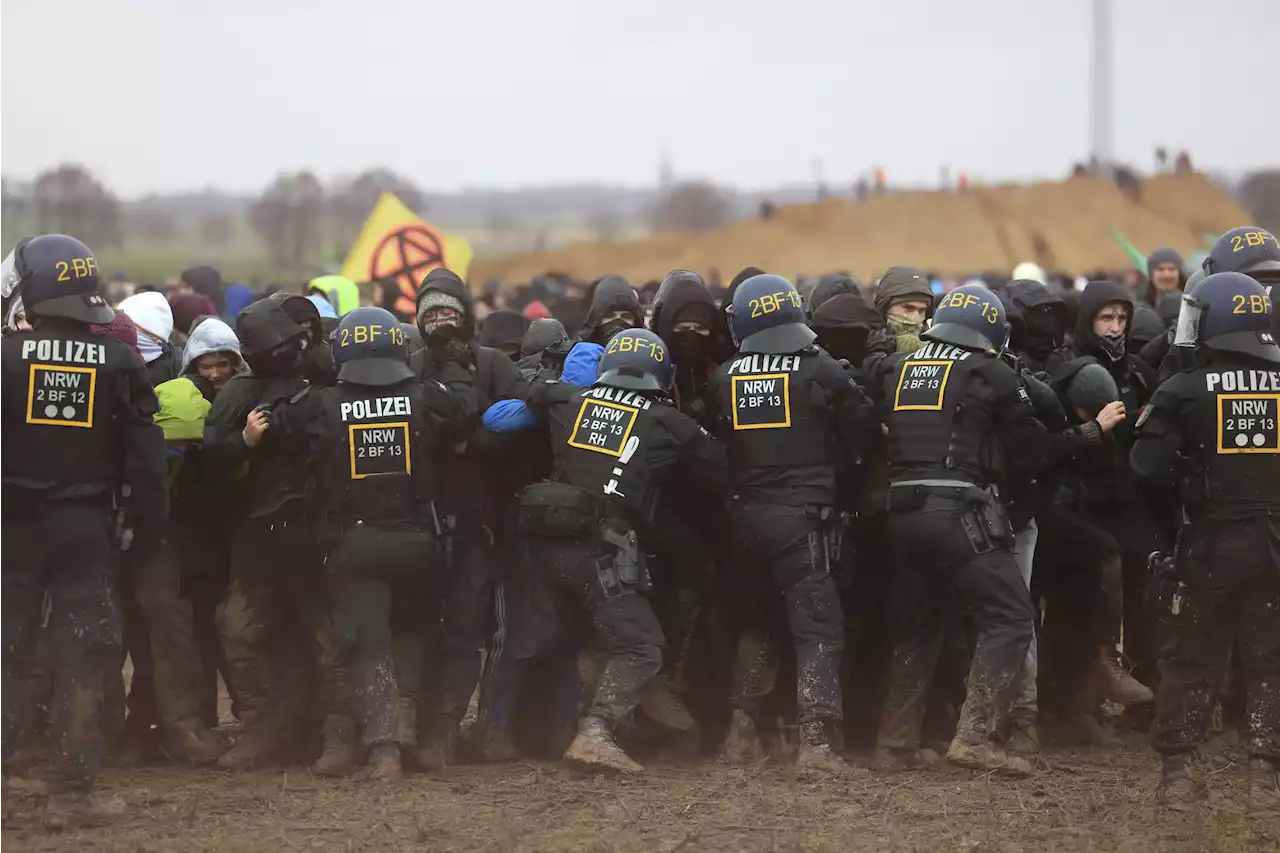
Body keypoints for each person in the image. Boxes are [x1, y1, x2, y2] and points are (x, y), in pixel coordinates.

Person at [873, 283, 1126, 776]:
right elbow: (1033, 451)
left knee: (918, 625)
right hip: (960, 514)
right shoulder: (992, 372)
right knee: (1010, 618)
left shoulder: (899, 370)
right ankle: (977, 736)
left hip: (902, 513)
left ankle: (894, 743)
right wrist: (1091, 432)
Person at [258, 307, 476, 779]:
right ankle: (410, 730)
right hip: (421, 544)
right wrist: (451, 363)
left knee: (367, 646)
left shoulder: (319, 403)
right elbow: (464, 413)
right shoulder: (426, 397)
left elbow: (277, 428)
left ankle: (383, 751)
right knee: (412, 637)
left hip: (353, 546)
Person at [507, 329, 728, 772]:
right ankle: (597, 731)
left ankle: (549, 732)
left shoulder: (567, 399)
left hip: (543, 548)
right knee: (641, 648)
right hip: (604, 548)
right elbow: (721, 468)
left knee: (586, 640)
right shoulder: (668, 421)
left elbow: (522, 397)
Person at [0, 234, 166, 825]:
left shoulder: (3, 355)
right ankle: (71, 795)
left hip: (11, 529)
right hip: (86, 529)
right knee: (84, 656)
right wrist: (145, 537)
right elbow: (147, 465)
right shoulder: (120, 361)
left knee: (7, 651)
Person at [703, 273, 874, 775]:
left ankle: (740, 731)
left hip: (745, 521)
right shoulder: (819, 368)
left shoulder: (724, 377)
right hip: (804, 522)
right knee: (819, 629)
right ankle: (817, 744)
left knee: (760, 622)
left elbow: (715, 442)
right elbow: (861, 428)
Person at [1130, 271, 1280, 808]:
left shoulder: (1183, 389)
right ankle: (1265, 773)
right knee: (1269, 658)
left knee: (1191, 656)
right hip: (1273, 545)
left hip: (1209, 544)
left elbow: (1146, 468)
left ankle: (1179, 772)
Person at [205, 298, 348, 774]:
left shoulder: (328, 376)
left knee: (330, 641)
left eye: (291, 344)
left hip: (316, 531)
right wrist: (244, 442)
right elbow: (211, 466)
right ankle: (265, 729)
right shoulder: (239, 394)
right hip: (259, 534)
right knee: (241, 632)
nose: (286, 353)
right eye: (274, 349)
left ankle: (337, 734)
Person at [407, 268, 529, 769]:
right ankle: (409, 728)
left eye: (448, 311)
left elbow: (526, 416)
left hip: (480, 522)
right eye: (430, 312)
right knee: (418, 626)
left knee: (465, 629)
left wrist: (472, 441)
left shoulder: (493, 363)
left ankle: (444, 731)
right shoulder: (409, 364)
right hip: (417, 521)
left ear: (465, 315)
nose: (440, 320)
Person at [119, 291, 182, 386]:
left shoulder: (177, 373)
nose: (118, 329)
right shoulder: (110, 363)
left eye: (127, 325)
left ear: (154, 334)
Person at [873, 266, 935, 354]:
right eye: (908, 308)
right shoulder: (866, 341)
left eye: (921, 310)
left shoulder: (934, 344)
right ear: (885, 307)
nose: (915, 317)